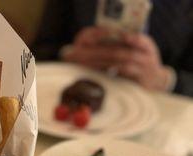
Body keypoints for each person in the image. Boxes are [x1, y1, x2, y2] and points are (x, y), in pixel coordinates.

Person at [32, 0, 193, 97]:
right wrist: (68, 56)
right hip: (64, 102)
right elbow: (38, 51)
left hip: (164, 123)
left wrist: (164, 79)